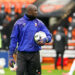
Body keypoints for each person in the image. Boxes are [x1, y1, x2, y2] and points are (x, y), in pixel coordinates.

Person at [9, 4, 52, 75]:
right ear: (29, 11)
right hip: (22, 55)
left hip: (35, 55)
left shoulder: (39, 23)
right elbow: (13, 40)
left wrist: (45, 39)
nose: (37, 12)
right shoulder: (18, 23)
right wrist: (11, 56)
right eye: (35, 10)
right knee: (20, 73)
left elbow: (49, 35)